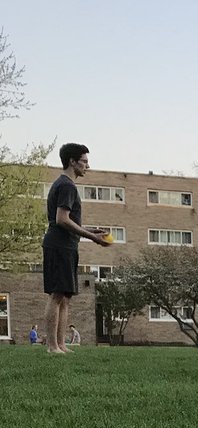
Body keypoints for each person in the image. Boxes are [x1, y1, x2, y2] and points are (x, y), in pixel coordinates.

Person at [42, 143, 109, 355]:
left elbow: (68, 220)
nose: (88, 166)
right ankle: (52, 346)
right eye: (84, 161)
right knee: (57, 295)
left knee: (65, 297)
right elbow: (61, 219)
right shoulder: (67, 186)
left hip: (67, 245)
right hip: (59, 245)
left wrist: (90, 230)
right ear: (72, 161)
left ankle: (61, 344)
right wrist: (92, 237)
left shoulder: (64, 184)